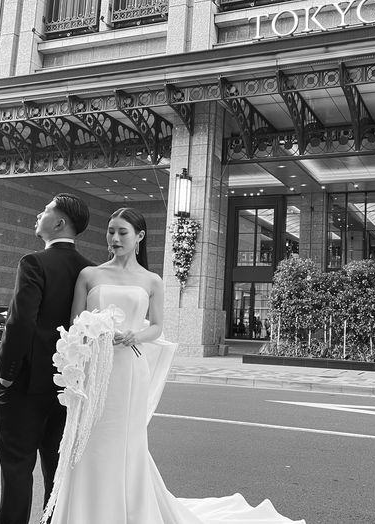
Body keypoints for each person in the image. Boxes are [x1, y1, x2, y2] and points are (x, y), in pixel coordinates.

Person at [46, 207, 305, 524]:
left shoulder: (152, 281)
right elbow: (75, 324)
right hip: (95, 369)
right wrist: (92, 337)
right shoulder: (89, 275)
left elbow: (157, 327)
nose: (114, 238)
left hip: (129, 371)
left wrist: (135, 335)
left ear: (140, 237)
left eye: (122, 232)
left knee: (125, 442)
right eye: (111, 231)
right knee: (88, 440)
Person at [0, 193, 93, 524]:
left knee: (17, 470)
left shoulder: (33, 263)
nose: (39, 214)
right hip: (67, 389)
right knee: (57, 473)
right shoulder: (90, 271)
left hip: (24, 386)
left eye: (46, 210)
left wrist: (7, 374)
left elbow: (21, 322)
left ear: (60, 222)